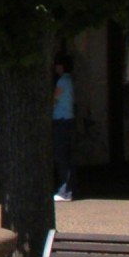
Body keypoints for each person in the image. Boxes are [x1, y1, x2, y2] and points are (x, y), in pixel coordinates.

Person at [52, 58, 77, 202]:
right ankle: (67, 189)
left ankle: (64, 190)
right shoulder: (70, 80)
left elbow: (55, 99)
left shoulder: (62, 81)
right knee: (66, 156)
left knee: (61, 156)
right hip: (68, 119)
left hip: (61, 120)